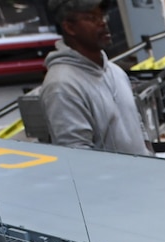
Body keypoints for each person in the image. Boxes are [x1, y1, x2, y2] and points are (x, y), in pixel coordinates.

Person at [40, 0, 149, 155]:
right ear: (69, 27)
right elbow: (79, 157)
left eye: (102, 15)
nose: (103, 23)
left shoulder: (115, 71)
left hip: (145, 176)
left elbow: (138, 126)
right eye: (91, 18)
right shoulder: (62, 86)